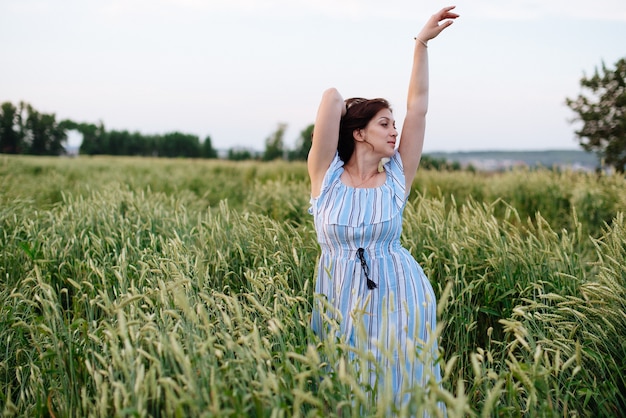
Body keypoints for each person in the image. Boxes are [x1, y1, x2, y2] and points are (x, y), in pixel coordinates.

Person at [307, 5, 459, 410]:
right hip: (338, 295)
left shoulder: (396, 178)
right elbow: (331, 98)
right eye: (384, 124)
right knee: (343, 390)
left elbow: (419, 108)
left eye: (394, 124)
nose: (395, 131)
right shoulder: (324, 175)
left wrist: (421, 44)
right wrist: (350, 108)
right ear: (358, 132)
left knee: (400, 388)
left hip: (400, 296)